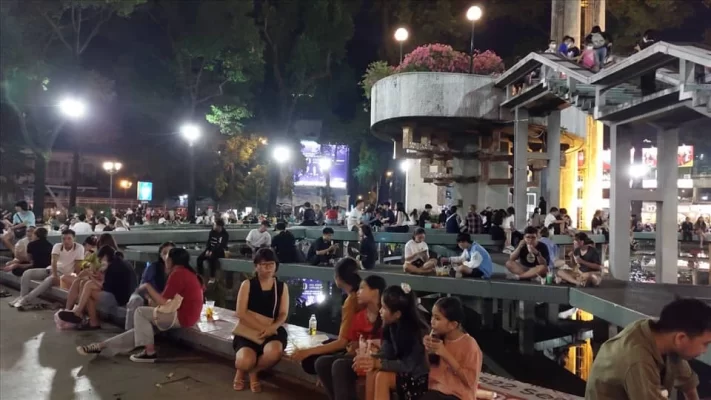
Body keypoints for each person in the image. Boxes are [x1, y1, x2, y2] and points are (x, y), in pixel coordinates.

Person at [76, 248, 203, 362]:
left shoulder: (178, 274)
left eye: (167, 257)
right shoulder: (187, 272)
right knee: (138, 330)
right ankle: (102, 346)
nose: (165, 260)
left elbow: (163, 301)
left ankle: (149, 352)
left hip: (183, 316)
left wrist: (147, 286)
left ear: (171, 260)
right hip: (184, 314)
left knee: (140, 312)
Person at [585, 298, 711, 400]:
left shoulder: (660, 336)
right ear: (681, 338)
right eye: (705, 344)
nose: (705, 350)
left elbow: (687, 383)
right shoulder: (637, 359)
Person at [314, 274, 386, 400]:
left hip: (379, 360)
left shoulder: (386, 316)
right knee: (322, 362)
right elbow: (353, 346)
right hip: (360, 358)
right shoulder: (359, 317)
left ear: (375, 291)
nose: (358, 292)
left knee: (340, 365)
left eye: (362, 288)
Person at [356, 283, 429, 400]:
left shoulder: (414, 332)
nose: (380, 311)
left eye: (384, 308)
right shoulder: (391, 325)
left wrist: (378, 363)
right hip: (402, 372)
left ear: (397, 314)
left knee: (382, 377)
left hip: (417, 378)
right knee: (371, 371)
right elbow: (387, 353)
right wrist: (369, 359)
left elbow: (408, 366)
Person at [233, 248, 290, 393]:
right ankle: (241, 370)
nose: (269, 268)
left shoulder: (281, 287)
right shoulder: (247, 284)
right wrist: (260, 328)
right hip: (249, 329)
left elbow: (283, 313)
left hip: (271, 329)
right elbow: (241, 312)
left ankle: (254, 372)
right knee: (244, 361)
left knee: (274, 352)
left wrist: (273, 327)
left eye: (272, 264)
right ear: (256, 266)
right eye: (265, 265)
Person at [292, 258, 359, 373]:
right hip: (357, 344)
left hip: (355, 348)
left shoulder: (352, 301)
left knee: (309, 361)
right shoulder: (357, 295)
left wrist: (307, 352)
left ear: (338, 278)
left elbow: (342, 342)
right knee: (326, 343)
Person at [58, 245, 137, 329]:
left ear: (105, 256)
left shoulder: (114, 267)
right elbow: (108, 283)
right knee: (85, 285)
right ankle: (90, 320)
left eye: (101, 259)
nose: (100, 261)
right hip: (122, 294)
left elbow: (105, 286)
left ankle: (79, 312)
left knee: (88, 286)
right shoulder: (119, 263)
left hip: (120, 299)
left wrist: (92, 278)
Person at [421, 297, 482, 400]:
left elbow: (470, 382)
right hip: (434, 390)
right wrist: (425, 350)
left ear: (453, 325)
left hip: (458, 395)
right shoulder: (436, 337)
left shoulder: (470, 345)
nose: (432, 322)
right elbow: (426, 369)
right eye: (432, 316)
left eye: (437, 318)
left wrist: (445, 354)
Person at [10, 229, 84, 310]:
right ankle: (22, 296)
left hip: (63, 274)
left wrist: (77, 279)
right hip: (51, 270)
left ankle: (26, 299)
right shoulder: (57, 246)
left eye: (69, 238)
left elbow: (78, 265)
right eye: (63, 239)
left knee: (49, 280)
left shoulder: (79, 248)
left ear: (74, 239)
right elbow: (53, 261)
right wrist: (54, 274)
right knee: (27, 273)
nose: (66, 241)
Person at [124, 241, 173, 330]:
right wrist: (149, 298)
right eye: (164, 253)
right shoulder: (153, 267)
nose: (167, 256)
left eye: (170, 253)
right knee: (135, 300)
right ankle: (129, 332)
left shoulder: (177, 270)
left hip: (162, 300)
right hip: (145, 295)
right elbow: (142, 286)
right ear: (160, 255)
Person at [635, 29, 658, 95]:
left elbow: (645, 56)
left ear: (646, 36)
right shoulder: (654, 44)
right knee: (650, 85)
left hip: (646, 69)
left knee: (646, 87)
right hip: (651, 69)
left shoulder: (649, 44)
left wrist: (639, 50)